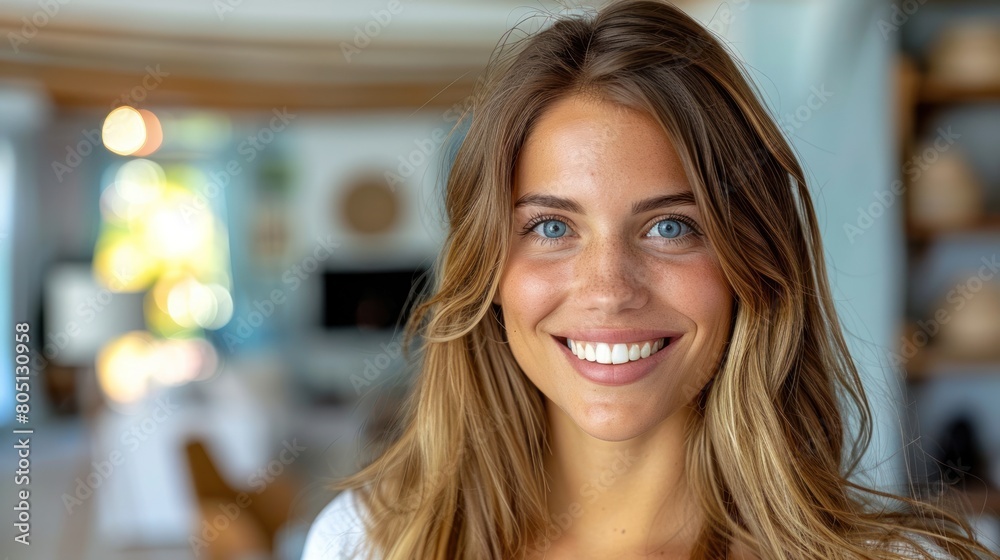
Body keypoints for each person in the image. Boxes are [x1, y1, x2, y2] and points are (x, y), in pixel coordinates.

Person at [301, 1, 998, 558]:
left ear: (752, 264)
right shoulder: (366, 542)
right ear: (487, 270)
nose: (609, 288)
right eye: (551, 227)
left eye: (670, 227)